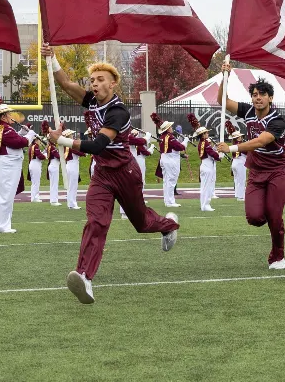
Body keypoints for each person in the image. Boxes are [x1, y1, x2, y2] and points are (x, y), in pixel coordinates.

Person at [44, 44, 179, 304]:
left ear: (113, 84)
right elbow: (65, 83)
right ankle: (84, 277)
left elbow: (97, 146)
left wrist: (63, 141)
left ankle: (169, 225)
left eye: (100, 80)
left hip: (126, 173)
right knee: (97, 223)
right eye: (92, 80)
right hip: (102, 175)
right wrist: (53, 59)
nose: (94, 84)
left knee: (142, 225)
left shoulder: (118, 112)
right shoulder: (92, 101)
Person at [216, 67, 285, 269]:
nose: (258, 98)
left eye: (262, 95)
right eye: (255, 95)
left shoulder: (277, 120)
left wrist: (231, 147)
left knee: (274, 216)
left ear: (270, 98)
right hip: (256, 170)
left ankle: (278, 256)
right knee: (254, 218)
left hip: (277, 170)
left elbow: (260, 141)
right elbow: (222, 100)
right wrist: (225, 77)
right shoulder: (247, 110)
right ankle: (272, 215)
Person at [0, 99, 37, 234]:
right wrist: (30, 135)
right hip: (5, 165)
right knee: (6, 196)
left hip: (1, 164)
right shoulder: (4, 129)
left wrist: (21, 133)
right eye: (9, 114)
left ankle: (4, 224)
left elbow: (10, 141)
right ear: (3, 116)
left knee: (5, 195)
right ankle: (2, 226)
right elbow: (20, 143)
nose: (11, 116)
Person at [153, 114, 184, 208]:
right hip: (170, 159)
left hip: (164, 158)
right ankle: (170, 201)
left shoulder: (162, 137)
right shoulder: (170, 137)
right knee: (171, 180)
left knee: (166, 181)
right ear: (167, 129)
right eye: (170, 127)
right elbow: (180, 147)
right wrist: (185, 141)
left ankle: (167, 200)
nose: (172, 128)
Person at [190, 119, 219, 212]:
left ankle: (204, 205)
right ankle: (205, 205)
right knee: (207, 187)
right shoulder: (205, 143)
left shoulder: (203, 143)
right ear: (203, 135)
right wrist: (218, 156)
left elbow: (209, 151)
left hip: (205, 164)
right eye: (206, 133)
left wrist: (215, 149)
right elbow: (211, 153)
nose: (208, 134)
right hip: (207, 164)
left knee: (205, 186)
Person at [62, 129, 83, 210]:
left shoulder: (67, 144)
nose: (72, 136)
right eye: (71, 134)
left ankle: (71, 203)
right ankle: (72, 204)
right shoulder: (70, 144)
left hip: (71, 164)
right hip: (73, 164)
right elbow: (78, 152)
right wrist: (84, 152)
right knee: (73, 185)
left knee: (72, 185)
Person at [27, 128, 46, 203]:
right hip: (35, 164)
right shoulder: (35, 146)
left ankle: (33, 197)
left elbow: (39, 154)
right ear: (36, 140)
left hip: (34, 163)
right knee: (36, 182)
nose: (40, 141)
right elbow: (40, 156)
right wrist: (46, 155)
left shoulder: (33, 146)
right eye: (39, 140)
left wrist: (44, 151)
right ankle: (35, 197)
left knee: (34, 182)